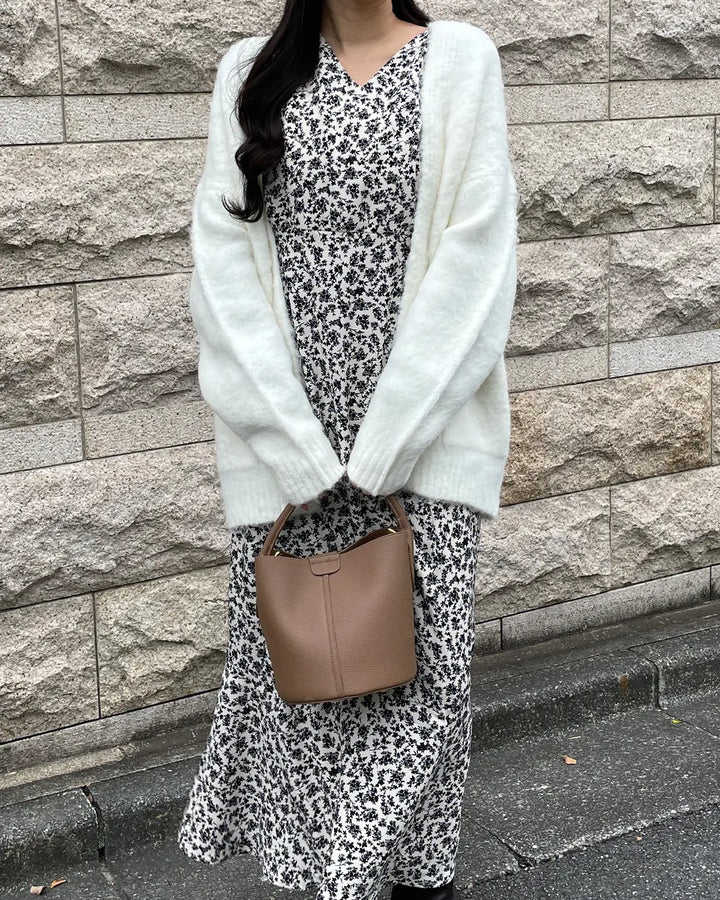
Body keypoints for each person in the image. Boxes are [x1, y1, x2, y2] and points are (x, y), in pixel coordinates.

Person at [177, 2, 518, 898]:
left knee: (422, 679)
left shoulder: (460, 60)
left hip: (424, 444)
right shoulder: (249, 73)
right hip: (287, 458)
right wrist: (296, 448)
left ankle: (410, 879)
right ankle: (326, 878)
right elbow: (222, 266)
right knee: (301, 679)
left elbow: (478, 262)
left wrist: (386, 448)